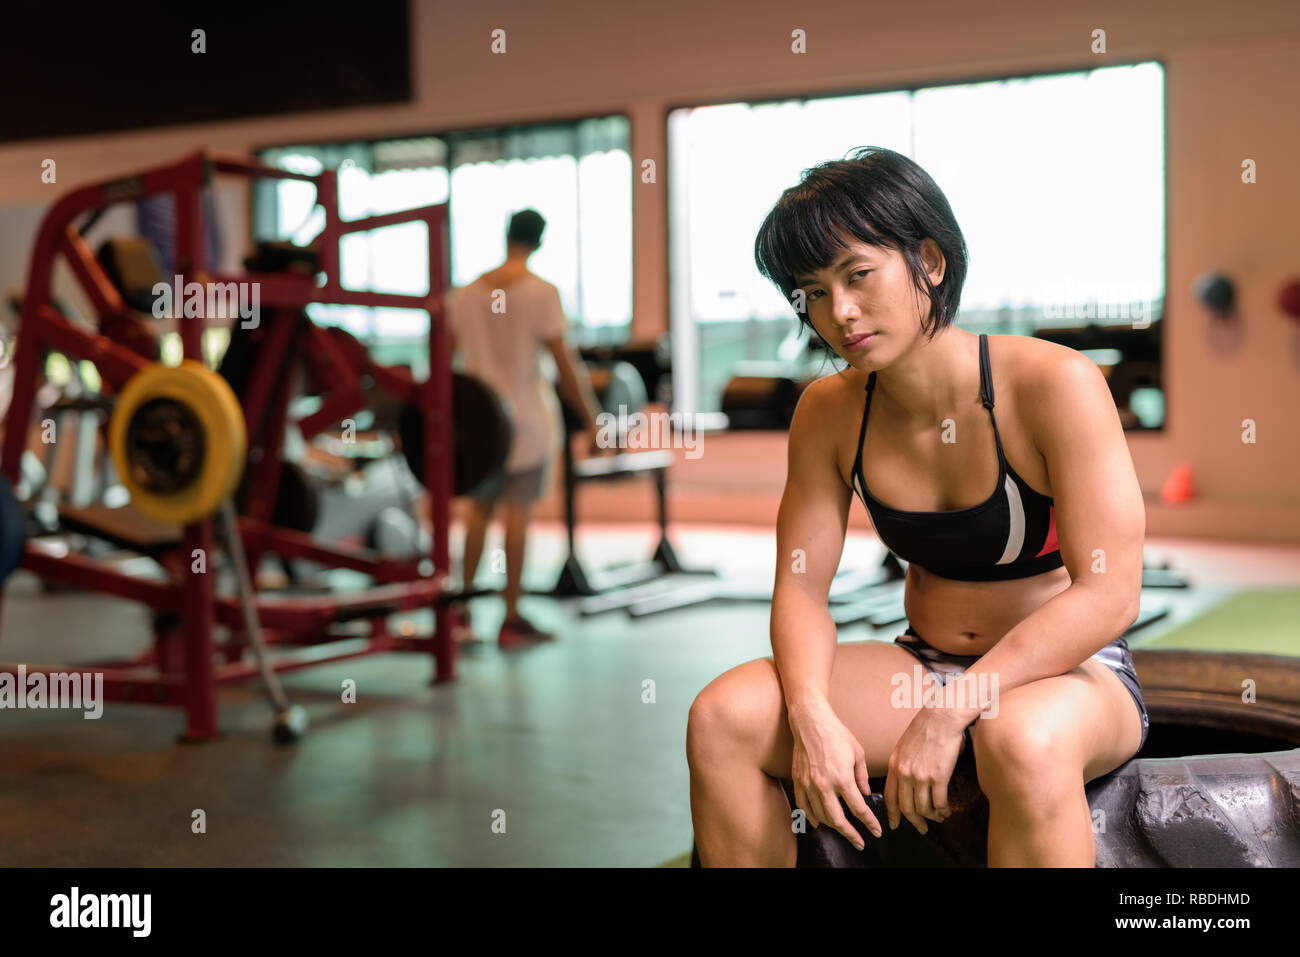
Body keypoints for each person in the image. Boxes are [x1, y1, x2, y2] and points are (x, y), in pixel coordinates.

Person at [687, 146, 1149, 867]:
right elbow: (802, 585)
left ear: (928, 260)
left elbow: (1111, 591)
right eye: (811, 292)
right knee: (723, 718)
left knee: (1020, 739)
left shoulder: (1054, 383)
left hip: (1068, 675)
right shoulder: (829, 410)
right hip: (921, 663)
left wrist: (956, 707)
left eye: (858, 275)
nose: (839, 312)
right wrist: (811, 714)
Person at [444, 209, 604, 647]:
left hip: (480, 423)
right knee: (518, 515)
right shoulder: (541, 293)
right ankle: (510, 617)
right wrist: (592, 419)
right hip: (528, 422)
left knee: (479, 512)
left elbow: (444, 362)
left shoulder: (464, 295)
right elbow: (565, 366)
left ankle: (460, 613)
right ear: (539, 241)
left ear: (506, 234)